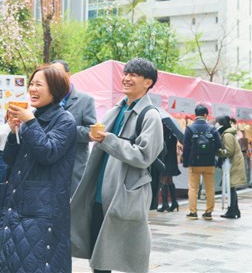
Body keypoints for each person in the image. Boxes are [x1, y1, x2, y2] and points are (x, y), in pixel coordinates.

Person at [71, 58, 164, 273]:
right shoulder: (115, 110)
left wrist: (109, 140)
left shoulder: (150, 116)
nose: (126, 78)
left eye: (133, 75)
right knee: (98, 258)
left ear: (148, 82)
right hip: (98, 194)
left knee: (119, 257)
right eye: (125, 73)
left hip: (123, 195)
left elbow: (144, 156)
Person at [0, 65, 76, 272]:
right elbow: (12, 160)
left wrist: (30, 122)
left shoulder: (65, 120)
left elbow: (48, 153)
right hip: (18, 204)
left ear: (55, 89)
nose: (32, 89)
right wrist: (15, 132)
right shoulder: (34, 117)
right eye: (31, 84)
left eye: (39, 85)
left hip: (42, 210)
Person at [52, 59, 97, 196]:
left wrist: (65, 130)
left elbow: (91, 132)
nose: (56, 77)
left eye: (58, 73)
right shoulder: (48, 99)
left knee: (72, 209)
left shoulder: (85, 100)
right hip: (50, 164)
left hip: (74, 166)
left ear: (68, 75)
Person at [182, 104, 222, 220]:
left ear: (196, 114)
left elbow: (185, 148)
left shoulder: (190, 129)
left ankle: (193, 212)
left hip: (194, 163)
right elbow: (219, 145)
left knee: (193, 188)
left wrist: (186, 162)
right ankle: (208, 212)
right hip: (209, 163)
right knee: (210, 188)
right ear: (205, 115)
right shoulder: (212, 128)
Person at [215, 116, 246, 219]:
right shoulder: (228, 133)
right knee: (232, 187)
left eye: (218, 122)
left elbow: (229, 151)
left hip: (233, 164)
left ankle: (232, 210)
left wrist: (218, 152)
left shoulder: (227, 135)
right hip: (234, 163)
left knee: (231, 187)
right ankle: (235, 210)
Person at [156, 125, 181, 212]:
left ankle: (165, 204)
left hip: (167, 162)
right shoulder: (173, 135)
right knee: (169, 181)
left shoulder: (165, 136)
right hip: (172, 162)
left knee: (164, 181)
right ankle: (174, 202)